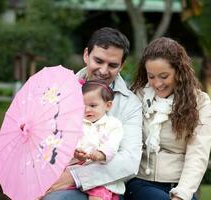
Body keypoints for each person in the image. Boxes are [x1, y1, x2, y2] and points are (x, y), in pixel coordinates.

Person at [42, 27, 143, 200]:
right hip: (56, 173)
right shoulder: (60, 91)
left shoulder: (130, 104)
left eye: (112, 65)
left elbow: (129, 161)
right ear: (86, 55)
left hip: (103, 185)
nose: (103, 71)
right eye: (98, 60)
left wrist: (75, 177)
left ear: (122, 65)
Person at [124, 37, 211, 200]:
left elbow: (198, 154)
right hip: (140, 182)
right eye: (151, 76)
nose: (157, 83)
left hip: (179, 186)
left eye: (164, 76)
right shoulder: (137, 96)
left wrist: (181, 195)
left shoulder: (199, 102)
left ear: (179, 72)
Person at [68, 80, 124, 200]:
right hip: (75, 170)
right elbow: (71, 140)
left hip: (98, 172)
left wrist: (101, 154)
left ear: (107, 105)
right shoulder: (77, 123)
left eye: (93, 106)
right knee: (48, 187)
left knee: (97, 197)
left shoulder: (112, 124)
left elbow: (112, 144)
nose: (87, 110)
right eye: (83, 106)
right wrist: (77, 152)